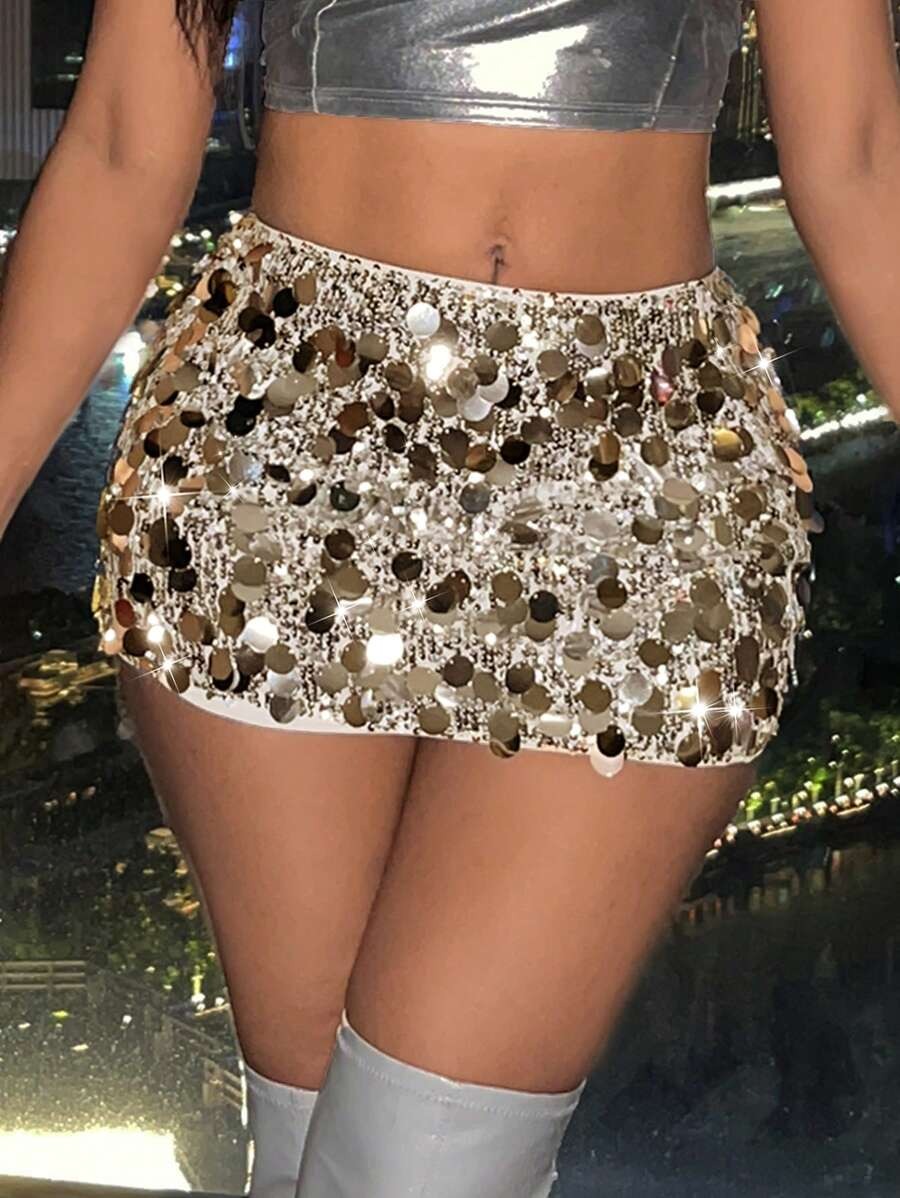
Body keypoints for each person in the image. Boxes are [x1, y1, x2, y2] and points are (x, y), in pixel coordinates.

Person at [1, 1, 897, 1194]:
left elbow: (858, 152)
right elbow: (123, 137)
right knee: (315, 1139)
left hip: (644, 472)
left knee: (416, 1165)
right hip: (283, 440)